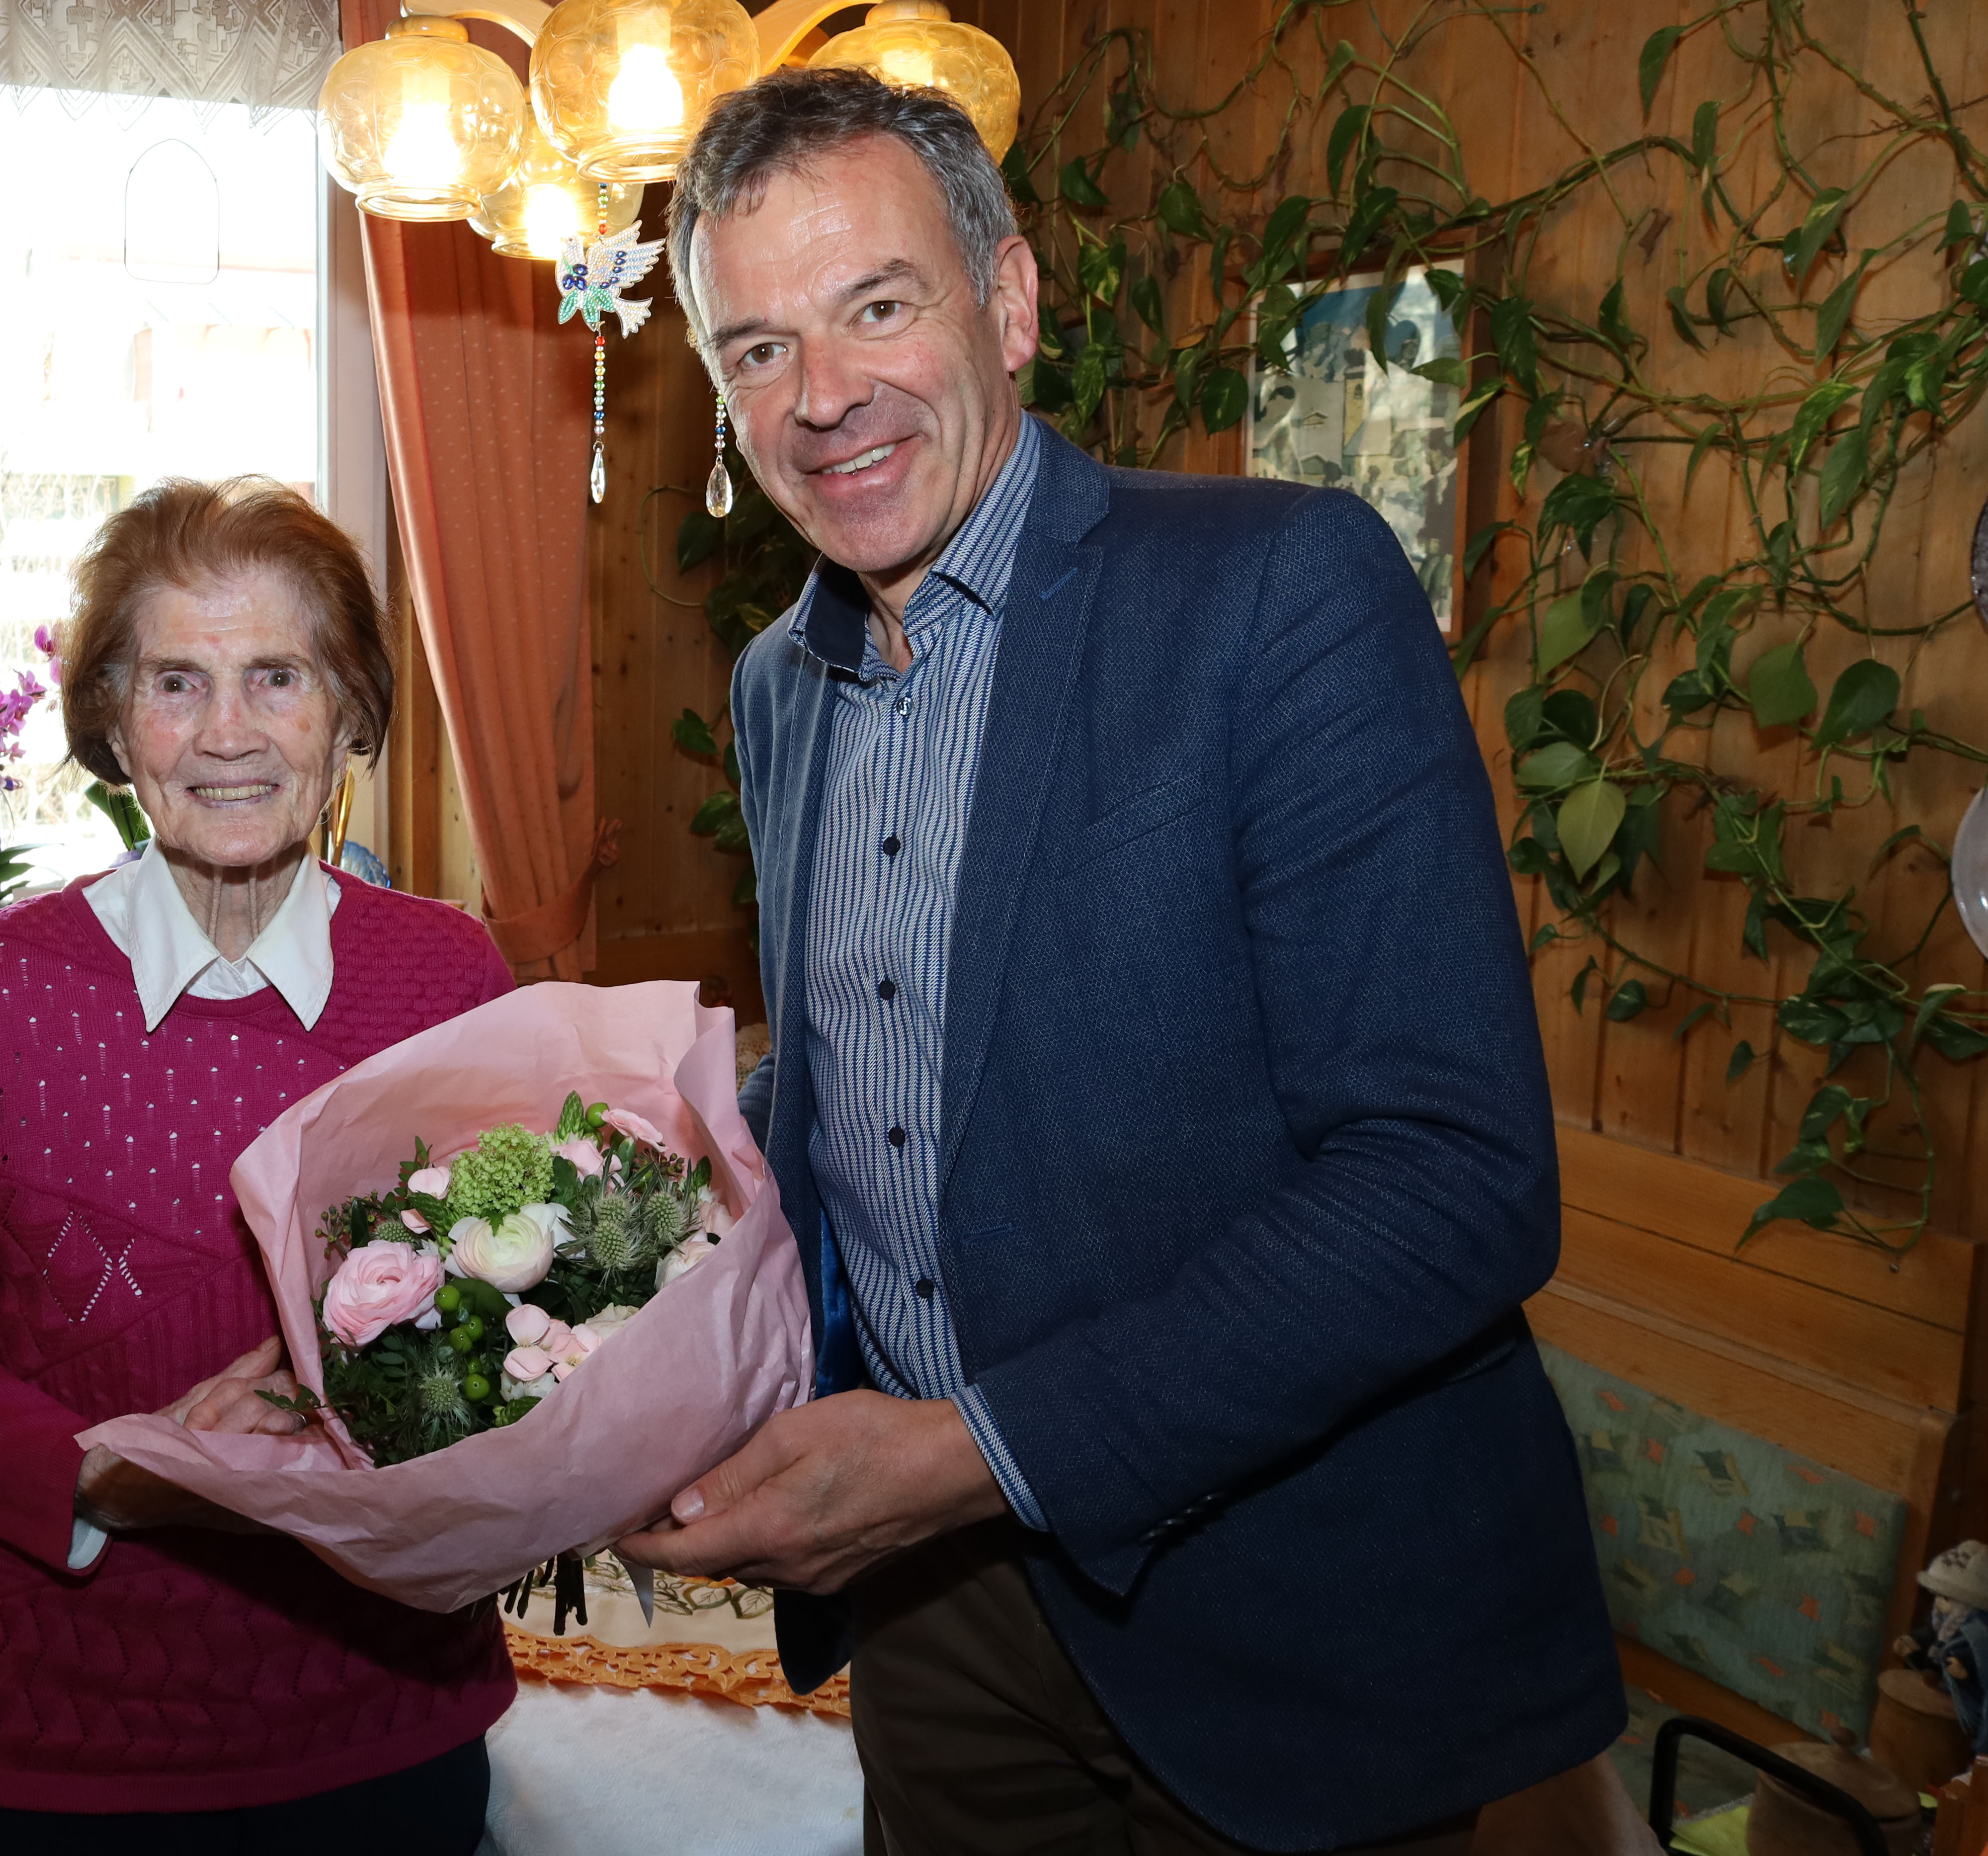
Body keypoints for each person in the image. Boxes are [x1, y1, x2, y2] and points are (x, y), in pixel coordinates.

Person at [616, 68, 1623, 1855]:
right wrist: (609, 1257)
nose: (823, 395)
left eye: (878, 307)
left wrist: (977, 1450)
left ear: (1007, 303)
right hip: (940, 1615)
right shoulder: (782, 690)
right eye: (755, 349)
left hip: (1284, 1612)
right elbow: (874, 1071)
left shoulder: (1278, 590)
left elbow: (1454, 1183)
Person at [0, 479, 514, 1855]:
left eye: (278, 676)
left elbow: (525, 1320)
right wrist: (107, 1475)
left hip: (384, 1715)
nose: (229, 735)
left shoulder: (452, 977)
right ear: (113, 726)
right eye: (176, 683)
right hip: (63, 1738)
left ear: (351, 715)